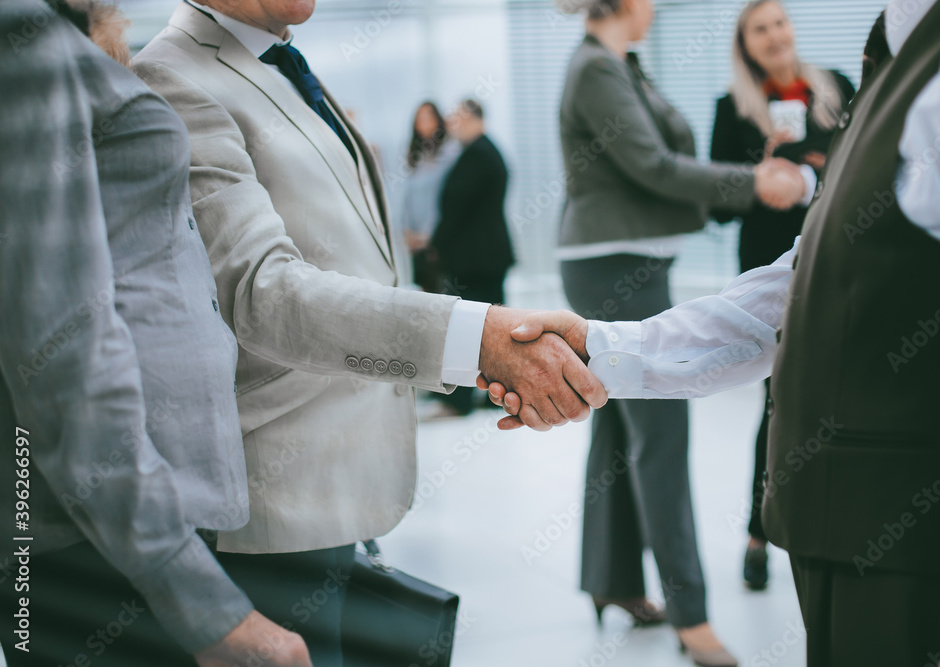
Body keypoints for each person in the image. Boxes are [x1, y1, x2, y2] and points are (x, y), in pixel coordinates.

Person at [487, 0, 940, 664]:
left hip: (919, 536)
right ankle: (634, 588)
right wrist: (605, 348)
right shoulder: (891, 43)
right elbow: (805, 273)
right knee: (643, 445)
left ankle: (673, 606)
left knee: (643, 448)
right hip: (840, 529)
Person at [133, 2, 607, 662]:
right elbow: (262, 292)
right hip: (274, 497)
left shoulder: (276, 55)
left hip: (339, 480)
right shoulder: (172, 76)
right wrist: (476, 341)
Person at [0, 1, 307, 664]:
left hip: (116, 522)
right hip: (94, 535)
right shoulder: (21, 37)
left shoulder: (52, 37)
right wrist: (204, 607)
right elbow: (59, 346)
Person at [550, 0, 808, 664]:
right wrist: (753, 181)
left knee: (617, 424)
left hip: (626, 258)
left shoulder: (619, 68)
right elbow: (655, 167)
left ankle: (613, 582)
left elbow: (665, 160)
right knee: (660, 437)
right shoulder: (597, 70)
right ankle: (693, 620)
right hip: (617, 265)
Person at [709, 0, 855, 591]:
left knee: (845, 397)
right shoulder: (733, 109)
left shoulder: (836, 88)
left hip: (840, 258)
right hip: (773, 272)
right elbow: (717, 205)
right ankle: (758, 533)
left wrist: (822, 162)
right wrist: (759, 169)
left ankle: (843, 529)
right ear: (746, 44)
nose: (774, 35)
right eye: (759, 29)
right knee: (779, 405)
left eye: (780, 22)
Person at [430, 99, 515, 417]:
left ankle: (460, 400)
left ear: (474, 118)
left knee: (467, 330)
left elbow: (457, 205)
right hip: (483, 256)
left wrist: (435, 243)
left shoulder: (479, 154)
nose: (453, 126)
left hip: (477, 259)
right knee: (486, 331)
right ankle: (492, 395)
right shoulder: (483, 151)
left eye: (458, 119)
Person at [399, 101, 458, 294]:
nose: (424, 123)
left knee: (444, 295)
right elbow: (407, 197)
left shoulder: (449, 153)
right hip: (416, 242)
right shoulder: (416, 156)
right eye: (419, 119)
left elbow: (446, 198)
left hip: (436, 239)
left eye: (428, 117)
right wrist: (407, 231)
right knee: (425, 293)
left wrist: (429, 235)